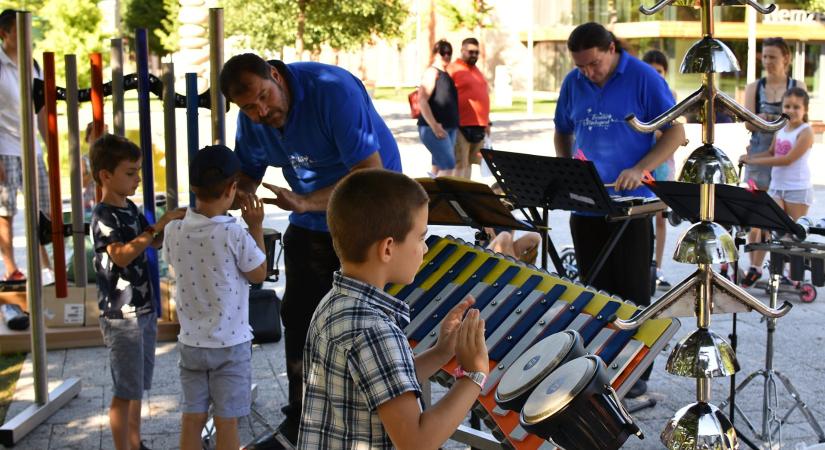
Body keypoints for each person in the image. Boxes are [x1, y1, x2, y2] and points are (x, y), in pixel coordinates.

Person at [219, 53, 402, 444]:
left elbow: (370, 174)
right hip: (311, 219)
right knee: (300, 315)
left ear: (275, 75)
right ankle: (300, 419)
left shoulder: (332, 90)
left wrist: (304, 202)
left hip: (372, 210)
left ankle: (388, 424)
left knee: (371, 324)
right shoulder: (251, 123)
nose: (261, 111)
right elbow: (246, 178)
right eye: (249, 107)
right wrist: (212, 204)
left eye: (264, 97)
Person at [298, 168, 488, 449]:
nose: (425, 249)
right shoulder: (375, 331)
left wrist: (441, 352)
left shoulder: (333, 304)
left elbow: (381, 383)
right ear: (388, 248)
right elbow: (417, 442)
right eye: (421, 237)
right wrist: (474, 375)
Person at [553, 23, 685, 398]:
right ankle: (595, 366)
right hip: (588, 205)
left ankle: (635, 372)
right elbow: (562, 129)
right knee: (593, 291)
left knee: (631, 293)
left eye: (593, 64)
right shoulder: (573, 83)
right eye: (581, 66)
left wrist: (641, 167)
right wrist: (569, 168)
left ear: (611, 49)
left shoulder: (643, 77)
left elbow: (675, 133)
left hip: (632, 207)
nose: (587, 72)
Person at [163, 145, 267, 450]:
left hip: (191, 343)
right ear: (233, 189)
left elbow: (171, 258)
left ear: (193, 188)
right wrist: (256, 226)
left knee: (192, 418)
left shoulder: (174, 230)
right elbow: (258, 273)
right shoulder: (233, 233)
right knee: (227, 420)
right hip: (230, 345)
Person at [90, 134, 185, 450]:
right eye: (130, 172)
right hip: (121, 316)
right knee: (125, 389)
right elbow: (121, 254)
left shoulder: (129, 207)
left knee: (137, 387)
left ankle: (135, 442)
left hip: (142, 310)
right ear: (106, 175)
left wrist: (170, 229)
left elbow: (149, 241)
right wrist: (157, 226)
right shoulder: (103, 215)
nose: (137, 178)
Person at [738, 37, 807, 287]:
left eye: (772, 57)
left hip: (783, 154)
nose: (767, 61)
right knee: (756, 214)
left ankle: (782, 269)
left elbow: (801, 118)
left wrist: (778, 120)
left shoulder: (796, 85)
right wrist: (763, 118)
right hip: (759, 153)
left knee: (778, 216)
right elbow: (746, 121)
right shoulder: (755, 87)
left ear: (786, 58)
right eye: (764, 56)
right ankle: (754, 267)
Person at [0, 9, 54, 285]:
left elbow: (41, 110)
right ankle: (10, 268)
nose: (27, 38)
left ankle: (44, 263)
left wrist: (51, 146)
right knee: (5, 210)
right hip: (4, 147)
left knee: (42, 209)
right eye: (20, 32)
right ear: (4, 34)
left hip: (31, 149)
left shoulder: (33, 65)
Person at [642, 49, 677, 291]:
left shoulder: (670, 95)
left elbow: (673, 130)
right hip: (643, 161)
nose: (656, 75)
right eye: (651, 71)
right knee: (641, 215)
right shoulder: (639, 96)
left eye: (660, 71)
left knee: (661, 218)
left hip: (663, 164)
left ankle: (658, 265)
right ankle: (643, 264)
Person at [448, 37, 490, 179]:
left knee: (472, 164)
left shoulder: (477, 71)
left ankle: (464, 196)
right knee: (461, 164)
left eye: (477, 52)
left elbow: (482, 97)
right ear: (462, 51)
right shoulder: (453, 69)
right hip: (460, 125)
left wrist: (487, 121)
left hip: (479, 125)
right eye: (471, 52)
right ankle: (455, 197)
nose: (474, 55)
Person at [418, 39, 460, 177]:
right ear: (436, 53)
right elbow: (422, 100)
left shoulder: (445, 73)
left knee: (437, 168)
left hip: (449, 128)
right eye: (443, 52)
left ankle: (431, 197)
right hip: (435, 129)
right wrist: (434, 125)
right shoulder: (432, 72)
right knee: (448, 166)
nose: (447, 56)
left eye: (449, 52)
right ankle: (444, 198)